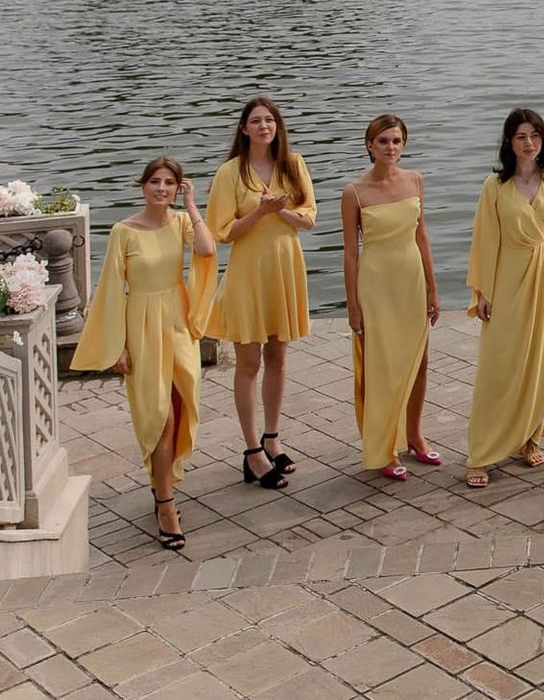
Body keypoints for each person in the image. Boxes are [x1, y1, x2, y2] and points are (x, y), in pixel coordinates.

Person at [72, 157, 216, 549]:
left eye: (170, 183)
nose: (162, 189)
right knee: (159, 416)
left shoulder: (182, 222)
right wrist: (118, 345)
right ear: (143, 186)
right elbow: (111, 290)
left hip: (177, 322)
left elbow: (206, 251)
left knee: (183, 405)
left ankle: (162, 485)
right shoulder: (124, 231)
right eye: (155, 182)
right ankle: (166, 502)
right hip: (141, 325)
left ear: (177, 187)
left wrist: (190, 205)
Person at [464, 108, 544, 489]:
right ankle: (481, 453)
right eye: (520, 136)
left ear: (543, 139)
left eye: (534, 135)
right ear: (509, 142)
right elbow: (485, 239)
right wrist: (483, 291)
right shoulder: (494, 186)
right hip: (509, 277)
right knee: (500, 365)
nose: (528, 142)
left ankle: (530, 439)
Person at [206, 95, 316, 489]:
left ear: (277, 126)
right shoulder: (229, 173)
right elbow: (221, 232)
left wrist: (282, 212)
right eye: (256, 121)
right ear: (244, 128)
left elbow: (308, 218)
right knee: (249, 363)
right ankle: (251, 451)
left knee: (279, 357)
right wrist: (260, 212)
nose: (264, 126)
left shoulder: (293, 164)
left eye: (269, 120)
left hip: (285, 269)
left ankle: (272, 437)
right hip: (248, 274)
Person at [343, 114, 441, 481]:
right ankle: (383, 446)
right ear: (370, 146)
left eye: (397, 141)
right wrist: (353, 306)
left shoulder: (415, 181)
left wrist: (432, 288)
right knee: (380, 367)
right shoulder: (354, 192)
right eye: (383, 141)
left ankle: (414, 434)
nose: (390, 147)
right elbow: (351, 253)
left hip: (411, 278)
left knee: (420, 360)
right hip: (376, 282)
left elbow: (422, 237)